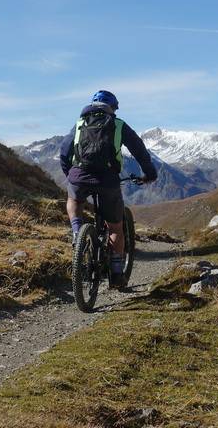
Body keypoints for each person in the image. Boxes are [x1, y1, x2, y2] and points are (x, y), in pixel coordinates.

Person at [59, 90, 157, 289]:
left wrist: (71, 175)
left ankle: (77, 231)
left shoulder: (79, 125)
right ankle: (116, 274)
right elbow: (139, 150)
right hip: (107, 180)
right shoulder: (118, 124)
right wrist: (149, 174)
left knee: (74, 201)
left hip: (80, 176)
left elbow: (64, 152)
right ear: (113, 107)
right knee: (115, 227)